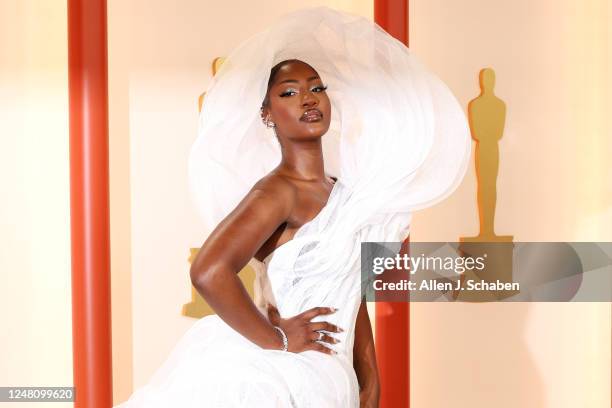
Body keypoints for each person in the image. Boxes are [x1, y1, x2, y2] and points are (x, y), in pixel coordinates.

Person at [116, 6, 471, 408]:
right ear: (267, 115)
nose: (307, 99)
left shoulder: (344, 192)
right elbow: (208, 271)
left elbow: (349, 290)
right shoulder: (277, 192)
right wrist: (278, 339)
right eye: (288, 92)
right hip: (282, 379)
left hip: (333, 377)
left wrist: (369, 376)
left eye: (316, 88)